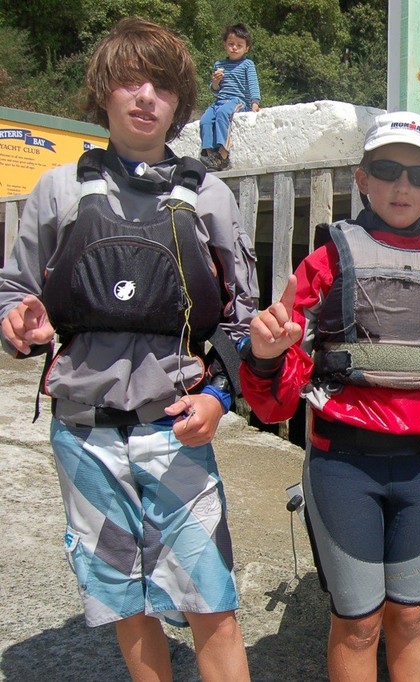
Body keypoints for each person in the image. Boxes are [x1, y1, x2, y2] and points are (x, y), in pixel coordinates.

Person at [0, 17, 257, 682]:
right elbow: (14, 291)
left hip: (176, 431)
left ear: (179, 104)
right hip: (83, 437)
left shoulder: (209, 195)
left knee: (211, 599)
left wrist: (218, 396)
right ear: (104, 91)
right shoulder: (58, 190)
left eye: (163, 86)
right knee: (125, 598)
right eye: (130, 81)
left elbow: (241, 314)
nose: (146, 96)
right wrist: (20, 326)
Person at [239, 111, 420, 682]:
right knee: (359, 622)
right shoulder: (327, 262)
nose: (401, 186)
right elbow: (275, 405)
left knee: (410, 615)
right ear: (362, 179)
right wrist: (264, 356)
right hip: (343, 466)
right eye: (386, 169)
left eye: (417, 174)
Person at [198, 23, 261, 171]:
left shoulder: (247, 64)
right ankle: (209, 154)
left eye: (239, 45)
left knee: (222, 114)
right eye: (231, 44)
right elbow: (215, 91)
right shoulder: (219, 64)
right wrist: (215, 82)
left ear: (246, 48)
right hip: (219, 101)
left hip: (237, 101)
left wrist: (255, 102)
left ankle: (223, 154)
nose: (234, 48)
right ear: (225, 45)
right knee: (205, 120)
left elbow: (252, 84)